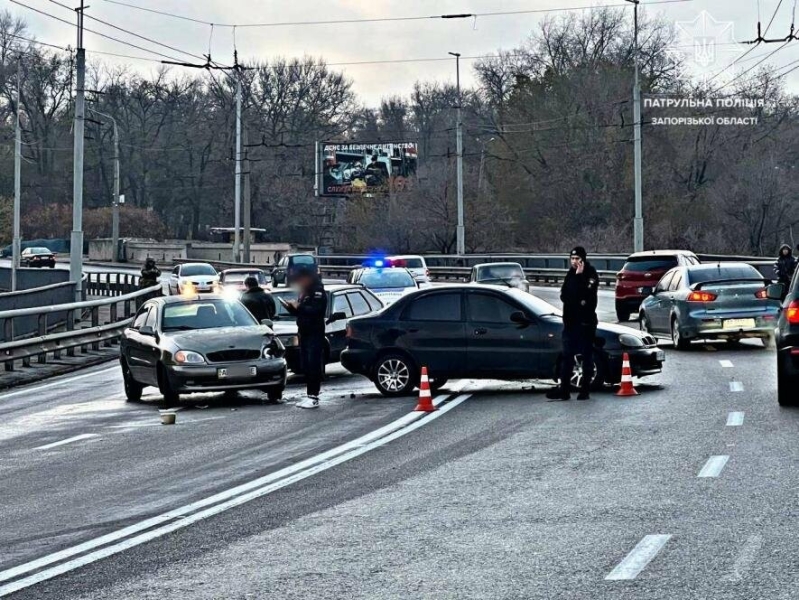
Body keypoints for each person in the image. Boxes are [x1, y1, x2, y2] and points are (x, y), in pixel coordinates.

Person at [547, 246, 599, 401]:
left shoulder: (590, 274)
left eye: (577, 259)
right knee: (567, 355)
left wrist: (579, 278)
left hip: (585, 323)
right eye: (572, 259)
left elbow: (587, 295)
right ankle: (564, 389)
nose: (575, 262)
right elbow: (564, 295)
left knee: (586, 355)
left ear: (583, 259)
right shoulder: (570, 274)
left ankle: (585, 390)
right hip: (570, 322)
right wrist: (574, 295)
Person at [282, 266, 327, 409]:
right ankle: (309, 395)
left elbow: (316, 310)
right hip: (304, 332)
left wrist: (299, 307)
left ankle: (314, 396)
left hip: (315, 332)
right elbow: (303, 311)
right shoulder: (305, 292)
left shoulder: (317, 291)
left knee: (313, 364)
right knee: (306, 365)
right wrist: (292, 308)